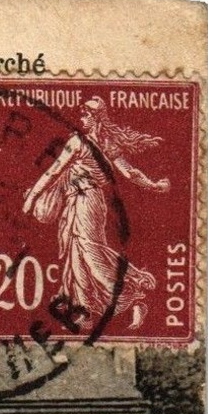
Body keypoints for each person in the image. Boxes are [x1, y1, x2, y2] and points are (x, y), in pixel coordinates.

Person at [22, 97, 170, 332]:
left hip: (86, 203)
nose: (80, 119)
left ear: (95, 119)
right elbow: (129, 172)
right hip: (82, 203)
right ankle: (85, 311)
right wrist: (153, 185)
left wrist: (31, 198)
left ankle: (133, 297)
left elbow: (53, 172)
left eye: (85, 116)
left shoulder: (79, 143)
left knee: (90, 253)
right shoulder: (101, 142)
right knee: (77, 254)